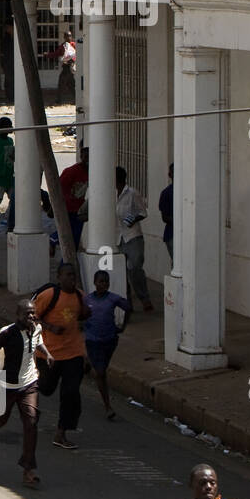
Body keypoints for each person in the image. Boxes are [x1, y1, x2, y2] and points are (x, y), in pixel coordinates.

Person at [0, 299, 53, 489]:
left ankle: (28, 470)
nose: (31, 316)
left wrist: (47, 354)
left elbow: (38, 342)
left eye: (33, 312)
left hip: (29, 383)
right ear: (17, 315)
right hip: (7, 385)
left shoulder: (36, 328)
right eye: (27, 313)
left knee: (31, 421)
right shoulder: (7, 333)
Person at [34, 262, 92, 450]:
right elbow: (30, 316)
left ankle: (61, 433)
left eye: (73, 275)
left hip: (73, 353)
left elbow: (83, 316)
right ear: (59, 277)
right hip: (48, 355)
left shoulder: (80, 296)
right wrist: (49, 327)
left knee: (71, 392)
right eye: (67, 275)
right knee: (46, 388)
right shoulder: (49, 296)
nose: (71, 279)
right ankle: (29, 399)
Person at [84, 269, 132, 420]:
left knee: (102, 368)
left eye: (106, 282)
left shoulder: (113, 299)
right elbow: (78, 314)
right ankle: (107, 406)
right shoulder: (87, 300)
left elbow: (128, 308)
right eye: (100, 281)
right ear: (95, 283)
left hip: (109, 340)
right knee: (100, 373)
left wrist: (123, 326)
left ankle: (89, 366)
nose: (103, 284)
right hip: (92, 340)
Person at [116, 166, 153, 312]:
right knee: (121, 269)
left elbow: (143, 212)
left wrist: (133, 219)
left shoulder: (132, 193)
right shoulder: (110, 193)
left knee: (135, 267)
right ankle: (127, 300)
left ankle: (144, 297)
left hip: (132, 235)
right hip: (117, 237)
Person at [59, 146, 90, 250]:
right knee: (68, 236)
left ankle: (67, 264)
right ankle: (53, 240)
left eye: (90, 157)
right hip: (67, 208)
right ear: (81, 157)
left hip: (79, 210)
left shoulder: (92, 172)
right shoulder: (71, 171)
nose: (88, 160)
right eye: (86, 157)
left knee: (74, 240)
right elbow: (58, 188)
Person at [54, 30, 77, 105]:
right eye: (67, 36)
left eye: (70, 36)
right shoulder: (63, 46)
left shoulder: (74, 45)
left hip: (70, 67)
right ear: (64, 37)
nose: (69, 37)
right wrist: (48, 55)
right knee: (69, 84)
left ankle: (59, 99)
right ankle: (60, 99)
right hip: (66, 67)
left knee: (65, 84)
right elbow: (57, 53)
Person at [159, 162, 174, 267]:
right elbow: (165, 217)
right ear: (170, 175)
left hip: (187, 234)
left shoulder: (190, 190)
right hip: (172, 234)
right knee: (178, 264)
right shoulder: (166, 193)